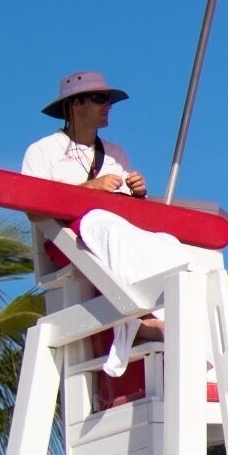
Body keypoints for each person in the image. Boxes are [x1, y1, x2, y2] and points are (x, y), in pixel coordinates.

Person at [19, 71, 204, 375]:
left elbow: (127, 211)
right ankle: (139, 318)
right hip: (68, 239)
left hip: (113, 229)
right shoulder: (42, 151)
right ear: (74, 104)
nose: (108, 106)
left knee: (168, 243)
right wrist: (90, 189)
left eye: (108, 99)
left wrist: (137, 194)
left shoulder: (116, 153)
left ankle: (161, 311)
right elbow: (32, 207)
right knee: (106, 225)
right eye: (99, 98)